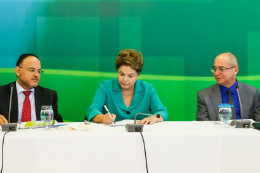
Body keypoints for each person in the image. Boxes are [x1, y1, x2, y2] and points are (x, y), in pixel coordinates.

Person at [86, 49, 168, 124]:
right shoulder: (105, 87)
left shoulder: (147, 89)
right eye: (121, 74)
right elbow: (92, 111)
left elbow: (162, 112)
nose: (125, 79)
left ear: (138, 75)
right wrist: (103, 118)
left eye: (130, 76)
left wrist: (154, 118)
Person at [0, 53, 63, 125]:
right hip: (10, 135)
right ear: (18, 71)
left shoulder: (49, 95)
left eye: (39, 71)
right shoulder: (2, 93)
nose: (36, 75)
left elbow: (57, 120)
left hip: (39, 135)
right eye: (32, 70)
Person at [197, 52, 260, 121]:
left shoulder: (252, 93)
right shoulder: (204, 95)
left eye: (221, 69)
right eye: (214, 69)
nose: (216, 73)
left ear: (235, 70)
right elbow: (203, 127)